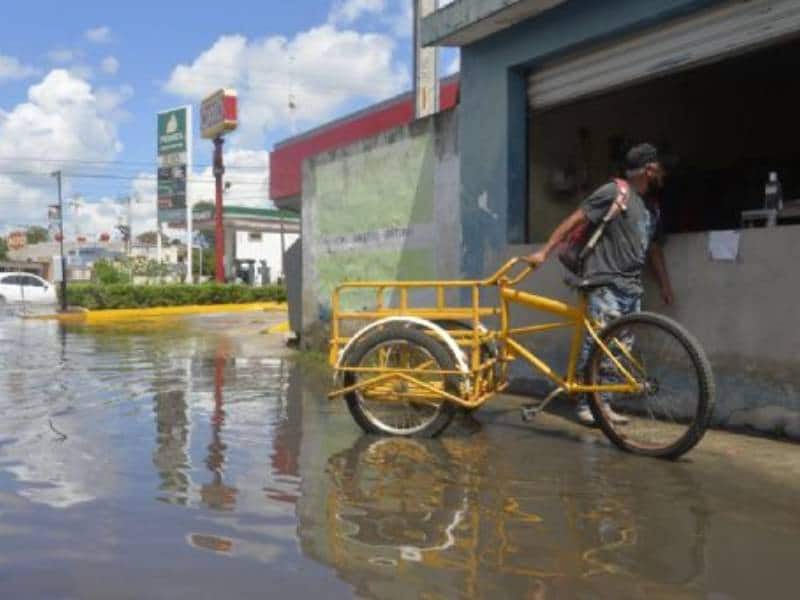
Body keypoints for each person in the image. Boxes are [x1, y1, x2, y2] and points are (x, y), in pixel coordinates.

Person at [524, 143, 674, 426]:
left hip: (631, 287)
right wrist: (544, 252)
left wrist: (665, 285)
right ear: (650, 169)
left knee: (619, 349)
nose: (663, 174)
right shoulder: (615, 192)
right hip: (604, 280)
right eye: (660, 168)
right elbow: (574, 220)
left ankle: (601, 403)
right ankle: (587, 404)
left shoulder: (651, 208)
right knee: (598, 344)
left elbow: (654, 249)